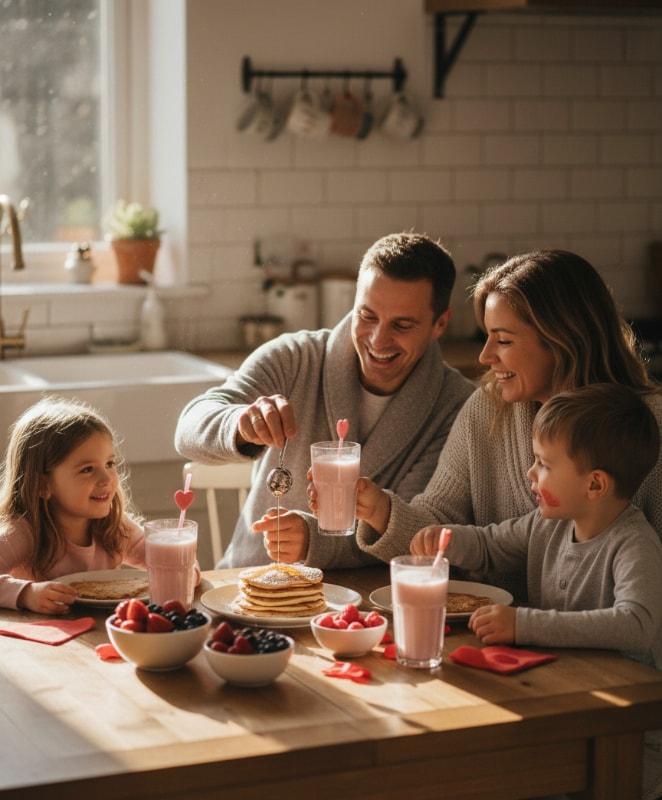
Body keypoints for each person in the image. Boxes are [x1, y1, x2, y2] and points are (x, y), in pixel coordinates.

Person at [350, 249, 662, 600]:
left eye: (504, 340)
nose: (485, 356)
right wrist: (382, 511)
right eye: (487, 336)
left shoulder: (652, 424)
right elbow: (440, 524)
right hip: (495, 638)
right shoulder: (486, 410)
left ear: (562, 340)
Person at [410, 383, 662, 800]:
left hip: (629, 736)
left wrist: (523, 623)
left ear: (595, 485)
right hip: (565, 706)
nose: (531, 473)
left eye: (544, 464)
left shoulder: (634, 545)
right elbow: (491, 544)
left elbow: (635, 625)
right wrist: (448, 538)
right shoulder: (549, 524)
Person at [174, 231, 476, 569]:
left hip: (366, 606)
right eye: (367, 315)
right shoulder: (294, 359)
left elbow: (416, 534)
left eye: (402, 325)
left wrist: (313, 541)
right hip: (249, 586)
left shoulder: (457, 407)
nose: (378, 339)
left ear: (441, 324)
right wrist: (240, 423)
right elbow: (189, 428)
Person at [0, 396, 146, 614]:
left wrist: (184, 568)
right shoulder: (24, 531)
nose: (106, 479)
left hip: (103, 636)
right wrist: (27, 594)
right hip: (44, 641)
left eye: (109, 464)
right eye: (87, 469)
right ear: (42, 485)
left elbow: (158, 556)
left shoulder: (114, 525)